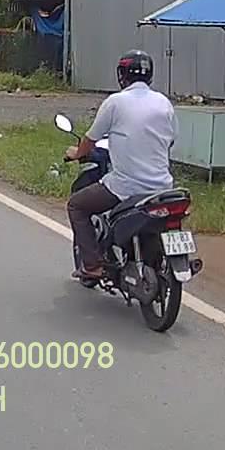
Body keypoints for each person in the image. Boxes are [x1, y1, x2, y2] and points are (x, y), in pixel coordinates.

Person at [64, 49, 176, 280]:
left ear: (122, 75)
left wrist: (77, 154)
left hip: (126, 187)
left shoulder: (115, 102)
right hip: (163, 188)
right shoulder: (164, 103)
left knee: (77, 206)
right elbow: (172, 139)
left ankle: (92, 265)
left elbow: (90, 139)